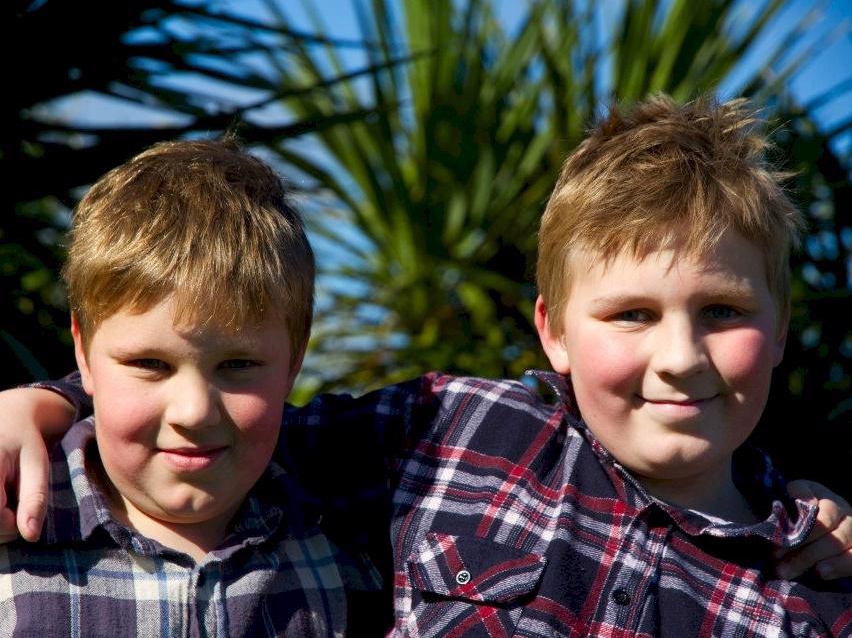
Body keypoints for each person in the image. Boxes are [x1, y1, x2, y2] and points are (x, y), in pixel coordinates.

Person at [2, 95, 852, 636]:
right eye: (631, 313)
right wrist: (46, 403)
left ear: (781, 328)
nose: (679, 357)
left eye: (724, 312)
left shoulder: (816, 591)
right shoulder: (452, 434)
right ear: (552, 330)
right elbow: (225, 405)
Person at [0, 138, 388, 637]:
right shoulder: (11, 525)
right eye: (150, 364)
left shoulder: (354, 524)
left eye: (239, 365)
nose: (194, 412)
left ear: (295, 358)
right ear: (83, 351)